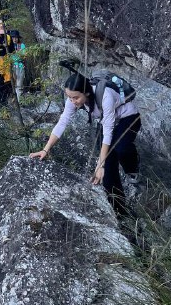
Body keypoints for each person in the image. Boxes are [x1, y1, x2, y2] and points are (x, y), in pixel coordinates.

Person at [30, 70, 141, 215]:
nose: (72, 101)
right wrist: (46, 149)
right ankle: (121, 212)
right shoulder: (73, 100)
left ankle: (133, 170)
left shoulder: (105, 95)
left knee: (121, 149)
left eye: (75, 98)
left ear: (86, 93)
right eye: (69, 97)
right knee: (107, 174)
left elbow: (107, 132)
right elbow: (63, 121)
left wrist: (99, 164)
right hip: (108, 121)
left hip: (128, 118)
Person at [9, 30, 26, 101]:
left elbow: (24, 56)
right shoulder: (8, 46)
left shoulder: (22, 45)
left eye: (16, 38)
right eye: (13, 38)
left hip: (20, 66)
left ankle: (18, 101)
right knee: (11, 84)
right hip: (11, 67)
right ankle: (12, 99)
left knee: (19, 84)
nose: (14, 39)